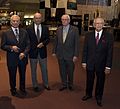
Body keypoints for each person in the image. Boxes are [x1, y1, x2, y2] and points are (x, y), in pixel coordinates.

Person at [81, 17, 114, 107]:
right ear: (94, 24)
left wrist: (108, 66)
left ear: (103, 25)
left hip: (102, 64)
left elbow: (110, 52)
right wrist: (84, 61)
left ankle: (98, 97)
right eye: (97, 23)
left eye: (100, 23)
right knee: (89, 80)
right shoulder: (88, 35)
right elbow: (85, 50)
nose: (98, 25)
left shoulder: (109, 36)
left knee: (100, 81)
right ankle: (88, 94)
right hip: (90, 62)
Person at [1, 15, 30, 96]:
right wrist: (11, 47)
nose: (15, 22)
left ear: (19, 21)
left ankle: (22, 88)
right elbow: (2, 46)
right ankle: (13, 89)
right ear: (11, 22)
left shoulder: (24, 32)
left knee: (22, 75)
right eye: (13, 21)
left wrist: (24, 53)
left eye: (17, 21)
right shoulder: (6, 33)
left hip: (22, 58)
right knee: (12, 75)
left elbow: (28, 44)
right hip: (12, 58)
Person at [52, 14, 80, 91]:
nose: (64, 21)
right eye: (62, 20)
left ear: (69, 20)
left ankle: (70, 84)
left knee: (70, 71)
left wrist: (76, 55)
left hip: (70, 55)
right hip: (60, 54)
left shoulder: (75, 29)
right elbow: (56, 41)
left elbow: (77, 43)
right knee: (62, 70)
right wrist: (54, 51)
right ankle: (64, 84)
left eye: (65, 19)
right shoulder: (59, 29)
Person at [26, 12, 50, 92]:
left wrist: (43, 43)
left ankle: (46, 84)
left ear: (41, 19)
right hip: (33, 53)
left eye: (39, 18)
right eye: (36, 18)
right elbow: (27, 41)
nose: (38, 19)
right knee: (33, 70)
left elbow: (48, 39)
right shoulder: (28, 29)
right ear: (34, 19)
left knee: (44, 69)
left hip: (43, 52)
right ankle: (35, 85)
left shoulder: (45, 28)